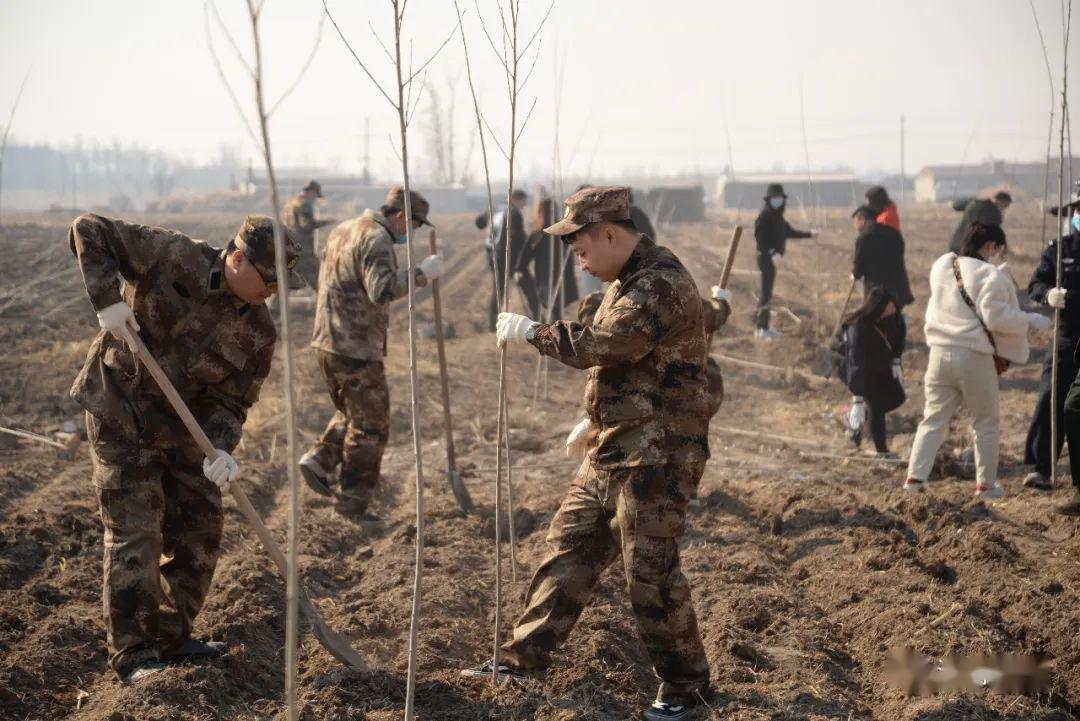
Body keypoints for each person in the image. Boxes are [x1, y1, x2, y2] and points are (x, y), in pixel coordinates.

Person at [462, 186, 713, 721]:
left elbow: (602, 345)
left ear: (610, 234)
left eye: (580, 246)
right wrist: (594, 418)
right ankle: (521, 660)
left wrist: (533, 331)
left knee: (649, 573)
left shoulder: (659, 284)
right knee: (569, 550)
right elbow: (627, 362)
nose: (576, 257)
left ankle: (687, 688)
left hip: (658, 455)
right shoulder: (625, 281)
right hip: (614, 444)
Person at [69, 212, 303, 682]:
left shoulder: (260, 332)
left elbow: (231, 401)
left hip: (184, 435)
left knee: (202, 528)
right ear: (237, 258)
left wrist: (220, 449)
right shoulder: (172, 255)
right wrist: (107, 300)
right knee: (139, 532)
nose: (273, 291)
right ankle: (133, 653)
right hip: (122, 413)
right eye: (268, 278)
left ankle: (173, 637)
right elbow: (88, 228)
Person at [298, 187, 443, 519]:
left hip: (326, 340)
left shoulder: (343, 229)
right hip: (355, 347)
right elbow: (382, 290)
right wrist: (422, 274)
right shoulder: (377, 240)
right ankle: (352, 503)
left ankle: (320, 459)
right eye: (415, 225)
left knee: (355, 411)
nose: (412, 232)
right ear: (402, 216)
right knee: (372, 426)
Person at [904, 223, 1050, 498]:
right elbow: (996, 318)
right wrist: (1029, 319)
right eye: (998, 248)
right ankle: (985, 484)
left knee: (933, 419)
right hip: (972, 356)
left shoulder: (942, 266)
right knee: (985, 421)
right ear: (991, 246)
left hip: (938, 354)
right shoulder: (990, 276)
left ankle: (914, 480)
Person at [1024, 194, 1080, 490]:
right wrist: (1049, 295)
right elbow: (1035, 284)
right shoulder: (1059, 250)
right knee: (1051, 397)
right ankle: (1041, 468)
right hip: (1068, 335)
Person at [836, 288, 906, 457]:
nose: (893, 309)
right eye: (889, 306)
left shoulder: (893, 319)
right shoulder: (858, 327)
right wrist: (858, 399)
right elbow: (856, 362)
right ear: (878, 307)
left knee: (897, 397)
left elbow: (899, 337)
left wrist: (896, 360)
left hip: (880, 367)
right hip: (858, 369)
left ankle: (853, 422)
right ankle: (882, 452)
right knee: (877, 406)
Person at [753, 183, 816, 340]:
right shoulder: (765, 215)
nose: (778, 201)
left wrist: (809, 234)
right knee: (766, 294)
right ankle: (761, 328)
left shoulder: (778, 216)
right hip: (766, 259)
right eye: (775, 198)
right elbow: (760, 238)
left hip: (773, 260)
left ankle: (764, 326)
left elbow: (789, 232)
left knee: (768, 293)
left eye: (780, 198)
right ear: (769, 199)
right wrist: (772, 252)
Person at [479, 188, 540, 329]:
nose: (524, 206)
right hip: (512, 259)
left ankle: (491, 325)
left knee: (498, 291)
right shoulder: (514, 213)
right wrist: (530, 246)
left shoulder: (494, 209)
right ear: (516, 199)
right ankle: (538, 320)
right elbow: (518, 237)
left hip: (493, 257)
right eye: (523, 203)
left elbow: (479, 223)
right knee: (530, 289)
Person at [528, 188, 580, 319]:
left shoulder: (537, 235)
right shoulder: (564, 233)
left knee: (551, 312)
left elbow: (522, 262)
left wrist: (524, 280)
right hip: (563, 280)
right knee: (555, 313)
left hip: (546, 282)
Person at [851, 205, 914, 308]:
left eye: (855, 222)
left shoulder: (864, 239)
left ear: (862, 220)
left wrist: (854, 274)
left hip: (877, 292)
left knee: (876, 321)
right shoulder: (894, 233)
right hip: (898, 291)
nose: (854, 226)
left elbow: (858, 268)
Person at [281, 180, 336, 292]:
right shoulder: (304, 204)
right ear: (311, 192)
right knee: (321, 281)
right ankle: (328, 305)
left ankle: (275, 308)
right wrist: (327, 222)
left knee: (286, 282)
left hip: (290, 248)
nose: (315, 199)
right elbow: (306, 225)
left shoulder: (291, 204)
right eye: (316, 195)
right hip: (304, 251)